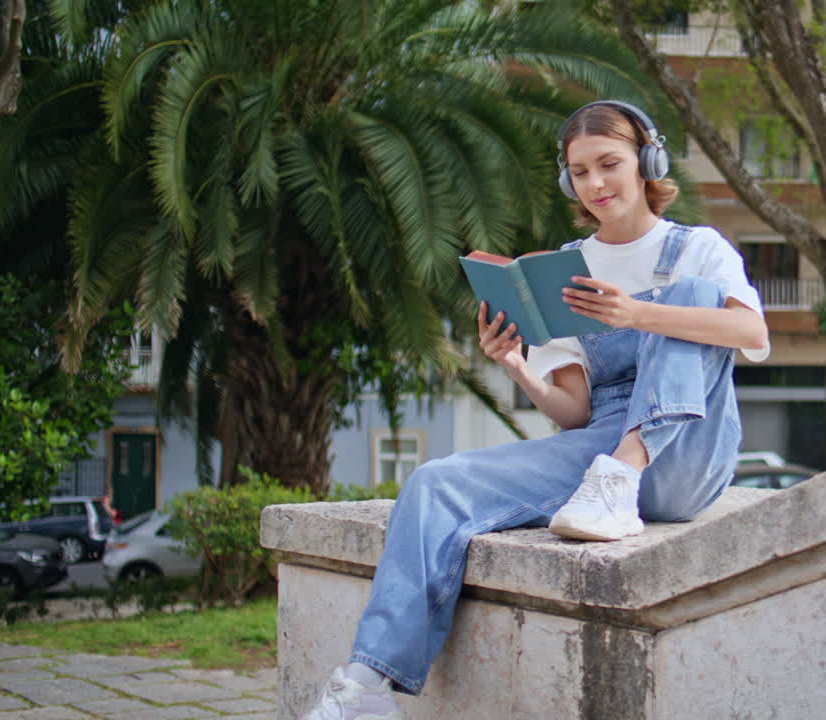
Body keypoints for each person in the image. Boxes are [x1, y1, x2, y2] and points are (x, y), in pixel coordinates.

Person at [303, 100, 770, 720]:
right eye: (579, 172)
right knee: (434, 483)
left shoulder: (698, 249)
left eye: (609, 164)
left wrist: (638, 313)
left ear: (647, 161)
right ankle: (368, 685)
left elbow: (750, 332)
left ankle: (623, 471)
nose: (596, 184)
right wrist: (517, 366)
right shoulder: (566, 270)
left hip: (683, 457)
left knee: (693, 300)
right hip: (596, 457)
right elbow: (573, 413)